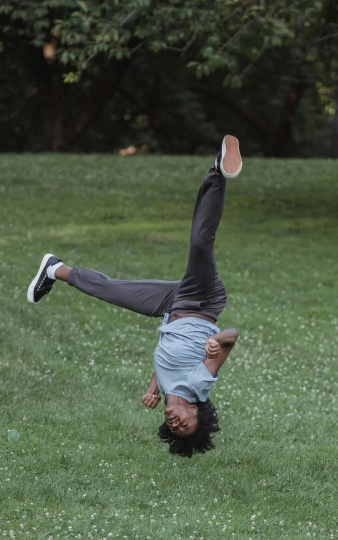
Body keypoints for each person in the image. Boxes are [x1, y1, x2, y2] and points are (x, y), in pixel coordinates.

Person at [27, 136, 243, 457]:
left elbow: (170, 358)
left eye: (172, 428)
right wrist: (217, 341)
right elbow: (232, 336)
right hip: (202, 302)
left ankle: (55, 269)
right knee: (200, 244)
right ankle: (216, 173)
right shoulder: (199, 386)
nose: (174, 422)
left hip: (172, 305)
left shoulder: (168, 388)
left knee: (111, 290)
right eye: (183, 424)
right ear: (194, 412)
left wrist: (153, 386)